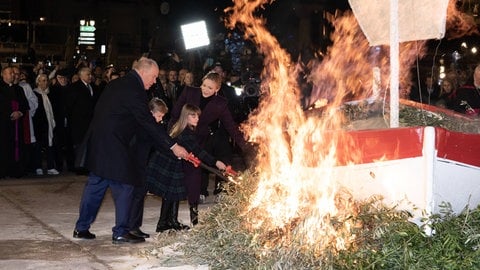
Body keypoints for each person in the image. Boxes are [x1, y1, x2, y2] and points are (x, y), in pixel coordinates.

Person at [73, 57, 188, 244]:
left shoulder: (117, 83)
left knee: (96, 186)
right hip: (115, 144)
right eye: (153, 77)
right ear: (143, 72)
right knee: (126, 185)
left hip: (99, 141)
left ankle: (81, 228)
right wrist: (173, 145)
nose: (154, 82)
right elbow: (146, 121)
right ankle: (121, 232)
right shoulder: (134, 90)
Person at [169, 71, 248, 223]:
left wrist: (245, 146)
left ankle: (194, 217)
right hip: (180, 137)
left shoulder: (221, 103)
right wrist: (172, 139)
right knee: (173, 178)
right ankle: (169, 220)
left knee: (194, 178)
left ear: (217, 89)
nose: (205, 89)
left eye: (210, 88)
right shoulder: (189, 91)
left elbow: (231, 127)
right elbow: (175, 114)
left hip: (198, 142)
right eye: (204, 85)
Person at [147, 103, 226, 228]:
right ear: (186, 117)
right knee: (170, 193)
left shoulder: (181, 128)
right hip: (169, 163)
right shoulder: (186, 133)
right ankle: (163, 223)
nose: (197, 119)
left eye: (198, 116)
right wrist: (216, 162)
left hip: (173, 163)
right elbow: (198, 151)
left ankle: (171, 221)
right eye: (193, 116)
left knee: (171, 193)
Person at [0, 66, 30, 178]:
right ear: (3, 74)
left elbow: (24, 105)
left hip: (17, 124)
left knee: (16, 147)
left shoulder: (19, 89)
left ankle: (15, 171)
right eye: (10, 73)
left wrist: (20, 112)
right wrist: (9, 113)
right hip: (3, 124)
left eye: (13, 73)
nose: (13, 75)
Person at [32, 74, 60, 176]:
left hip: (49, 124)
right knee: (38, 146)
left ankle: (50, 167)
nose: (44, 83)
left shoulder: (50, 93)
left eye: (45, 80)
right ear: (38, 82)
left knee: (50, 145)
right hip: (38, 124)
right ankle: (38, 167)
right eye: (42, 81)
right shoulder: (35, 93)